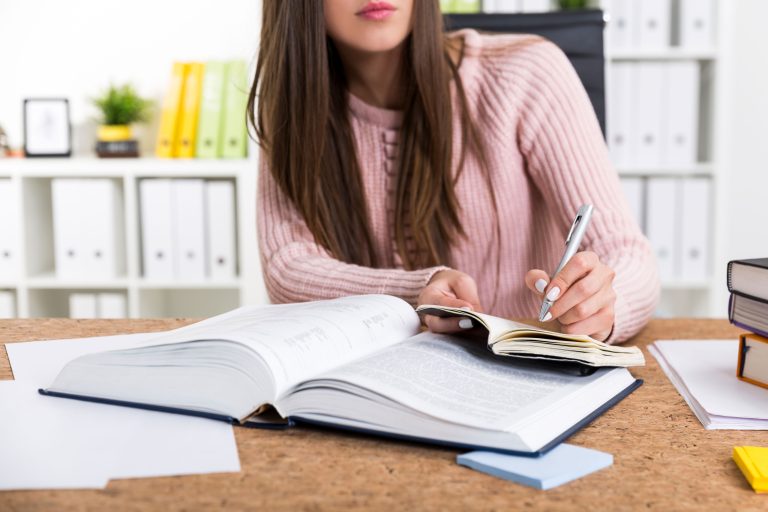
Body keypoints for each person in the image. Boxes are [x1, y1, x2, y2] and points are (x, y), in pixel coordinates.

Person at [248, 0, 659, 344]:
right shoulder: (294, 109)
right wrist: (416, 292)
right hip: (388, 379)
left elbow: (627, 252)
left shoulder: (526, 73)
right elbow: (288, 268)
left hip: (530, 371)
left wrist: (603, 305)